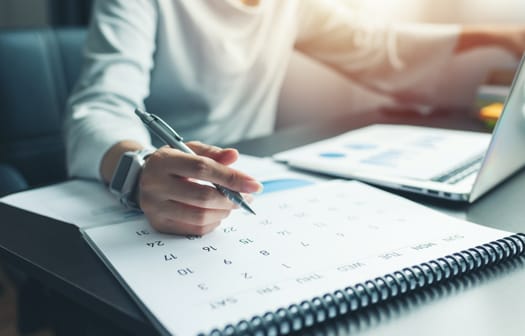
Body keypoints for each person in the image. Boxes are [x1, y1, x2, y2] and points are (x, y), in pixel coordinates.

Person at [65, 0, 525, 235]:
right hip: (151, 193)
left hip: (251, 183)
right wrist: (140, 168)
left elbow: (381, 48)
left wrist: (504, 35)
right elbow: (101, 107)